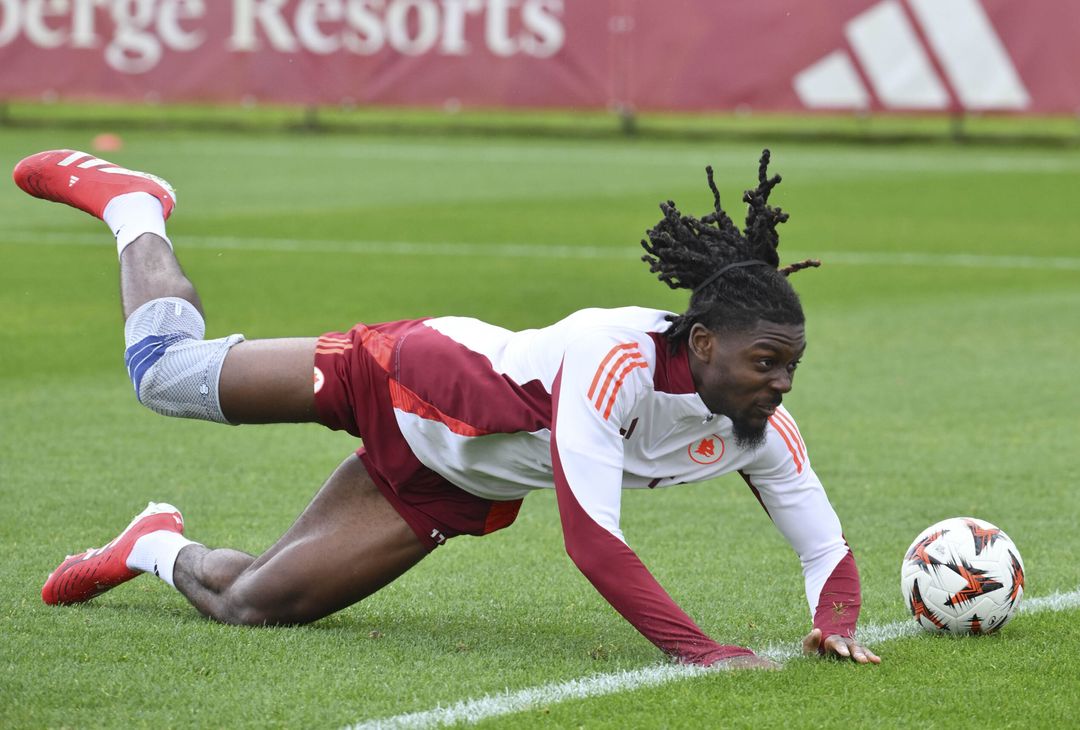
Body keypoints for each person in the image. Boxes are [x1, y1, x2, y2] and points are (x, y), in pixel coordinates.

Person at [13, 147, 880, 669]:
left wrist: (834, 625)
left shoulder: (758, 429)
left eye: (791, 366)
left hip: (447, 482)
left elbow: (827, 546)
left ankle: (151, 546)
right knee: (164, 377)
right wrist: (702, 652)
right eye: (767, 362)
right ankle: (135, 206)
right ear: (701, 345)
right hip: (405, 377)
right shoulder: (614, 358)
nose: (781, 383)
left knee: (252, 608)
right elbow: (593, 541)